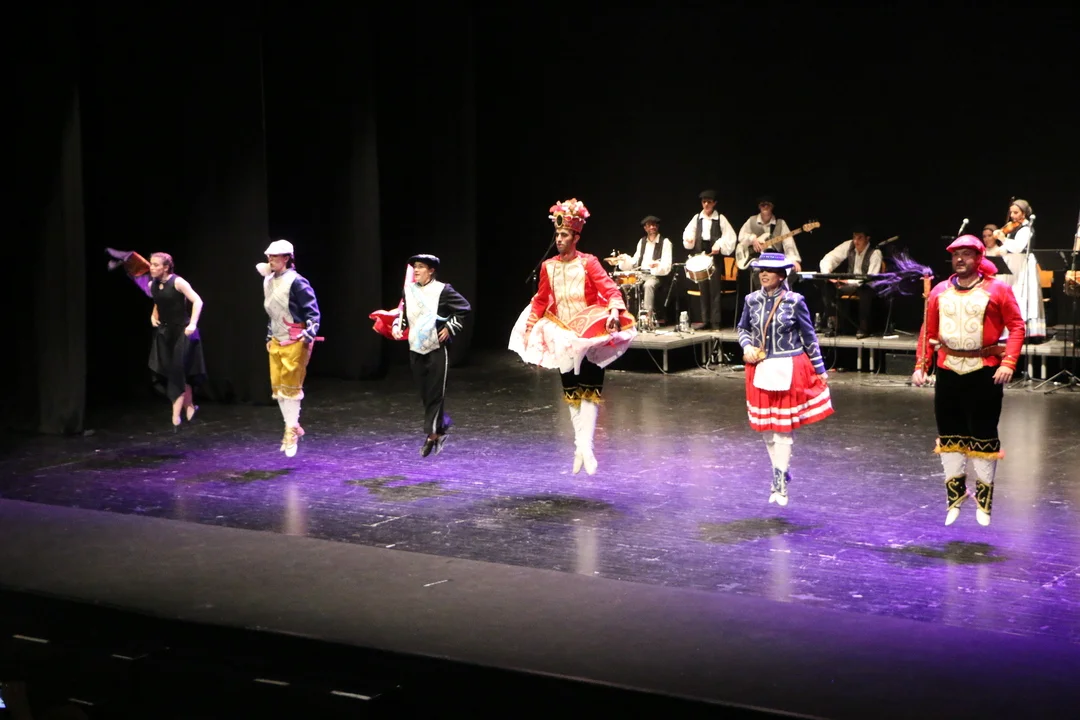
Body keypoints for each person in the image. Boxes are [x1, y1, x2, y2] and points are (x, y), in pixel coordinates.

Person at [509, 198, 636, 475]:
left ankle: (586, 447)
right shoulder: (548, 266)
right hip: (562, 334)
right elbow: (541, 299)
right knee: (571, 392)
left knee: (589, 391)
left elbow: (611, 290)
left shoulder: (589, 262)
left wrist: (614, 312)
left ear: (576, 237)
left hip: (588, 334)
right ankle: (580, 446)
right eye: (557, 234)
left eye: (565, 234)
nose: (559, 239)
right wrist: (530, 328)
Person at [911, 236, 1024, 527]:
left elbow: (1016, 326)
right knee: (950, 436)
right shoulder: (940, 291)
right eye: (955, 254)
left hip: (984, 371)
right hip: (948, 370)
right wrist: (921, 365)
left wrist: (1009, 362)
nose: (960, 259)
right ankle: (955, 498)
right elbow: (928, 331)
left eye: (966, 254)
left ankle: (984, 503)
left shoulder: (997, 289)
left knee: (984, 434)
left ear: (978, 258)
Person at [737, 252, 833, 506]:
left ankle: (779, 481)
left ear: (782, 275)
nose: (764, 274)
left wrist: (820, 369)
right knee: (767, 429)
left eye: (769, 270)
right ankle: (779, 469)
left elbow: (809, 337)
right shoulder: (751, 300)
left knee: (782, 429)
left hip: (788, 368)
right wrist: (747, 346)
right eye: (761, 270)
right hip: (761, 368)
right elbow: (742, 328)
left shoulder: (794, 301)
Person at [107, 248, 206, 429]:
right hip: (165, 333)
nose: (151, 268)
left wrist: (192, 324)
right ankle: (190, 406)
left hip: (183, 332)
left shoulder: (178, 282)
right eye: (151, 264)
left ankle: (176, 414)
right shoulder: (153, 284)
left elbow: (198, 301)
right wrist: (154, 314)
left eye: (155, 265)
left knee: (177, 371)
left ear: (166, 267)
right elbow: (159, 301)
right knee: (177, 371)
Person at [391, 254, 472, 456]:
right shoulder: (409, 290)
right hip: (416, 348)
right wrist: (397, 326)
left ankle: (432, 435)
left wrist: (450, 327)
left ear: (431, 270)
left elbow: (464, 308)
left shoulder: (443, 290)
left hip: (437, 348)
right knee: (426, 393)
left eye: (421, 267)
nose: (417, 270)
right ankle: (441, 426)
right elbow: (403, 312)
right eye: (415, 267)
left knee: (436, 393)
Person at [257, 239, 321, 458]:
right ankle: (291, 425)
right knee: (279, 389)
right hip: (277, 339)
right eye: (269, 256)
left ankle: (291, 430)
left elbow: (312, 312)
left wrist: (308, 333)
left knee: (291, 387)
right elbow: (273, 312)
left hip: (295, 339)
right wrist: (269, 334)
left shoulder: (297, 282)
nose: (270, 260)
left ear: (286, 258)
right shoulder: (268, 281)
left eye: (275, 256)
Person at [681, 189, 737, 328]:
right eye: (704, 202)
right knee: (703, 289)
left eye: (709, 202)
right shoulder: (697, 218)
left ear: (714, 203)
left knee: (715, 290)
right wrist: (689, 238)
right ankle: (705, 320)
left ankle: (716, 322)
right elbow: (689, 232)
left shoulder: (720, 218)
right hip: (701, 255)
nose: (706, 204)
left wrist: (719, 244)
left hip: (714, 257)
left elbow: (730, 236)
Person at [992, 198, 1046, 341]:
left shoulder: (1026, 228)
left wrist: (1003, 239)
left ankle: (1026, 332)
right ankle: (1011, 330)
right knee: (1012, 296)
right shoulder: (1014, 228)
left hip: (1023, 265)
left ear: (1024, 213)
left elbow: (1018, 247)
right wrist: (1001, 250)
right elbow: (1010, 247)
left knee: (1023, 296)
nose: (1012, 216)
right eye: (1011, 213)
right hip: (1013, 265)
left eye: (1016, 213)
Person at [818, 226, 883, 338]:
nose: (856, 241)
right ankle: (834, 324)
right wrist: (828, 274)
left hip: (867, 287)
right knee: (828, 286)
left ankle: (864, 327)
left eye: (860, 238)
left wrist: (847, 281)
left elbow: (870, 277)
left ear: (867, 238)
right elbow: (828, 258)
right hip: (849, 285)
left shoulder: (875, 253)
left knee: (865, 289)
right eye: (854, 237)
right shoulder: (849, 245)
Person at [616, 215, 673, 325]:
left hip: (656, 275)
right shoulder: (642, 242)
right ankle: (626, 318)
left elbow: (667, 266)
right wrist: (624, 259)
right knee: (625, 284)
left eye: (654, 225)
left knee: (648, 285)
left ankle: (647, 320)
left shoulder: (665, 242)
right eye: (649, 225)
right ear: (645, 228)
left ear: (657, 227)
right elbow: (635, 262)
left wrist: (657, 265)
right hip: (641, 273)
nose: (652, 227)